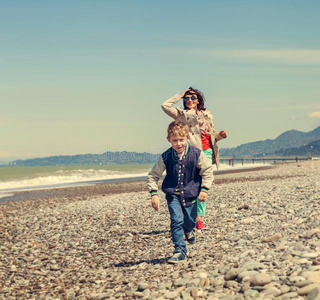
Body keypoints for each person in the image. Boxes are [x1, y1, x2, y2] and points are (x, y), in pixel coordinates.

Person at [147, 121, 214, 264]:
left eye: (181, 140)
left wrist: (204, 189)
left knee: (190, 221)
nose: (178, 143)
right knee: (176, 220)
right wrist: (154, 193)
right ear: (168, 140)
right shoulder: (165, 156)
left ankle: (188, 229)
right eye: (175, 140)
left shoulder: (197, 154)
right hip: (173, 195)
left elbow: (207, 171)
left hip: (191, 194)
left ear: (187, 138)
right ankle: (180, 250)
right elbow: (153, 175)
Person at [161, 87, 227, 230]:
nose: (190, 100)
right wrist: (180, 95)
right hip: (191, 152)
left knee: (203, 185)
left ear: (198, 100)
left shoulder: (207, 115)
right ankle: (184, 216)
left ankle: (198, 218)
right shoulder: (181, 113)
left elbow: (211, 135)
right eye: (187, 98)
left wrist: (220, 135)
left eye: (193, 98)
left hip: (207, 151)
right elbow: (165, 106)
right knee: (188, 184)